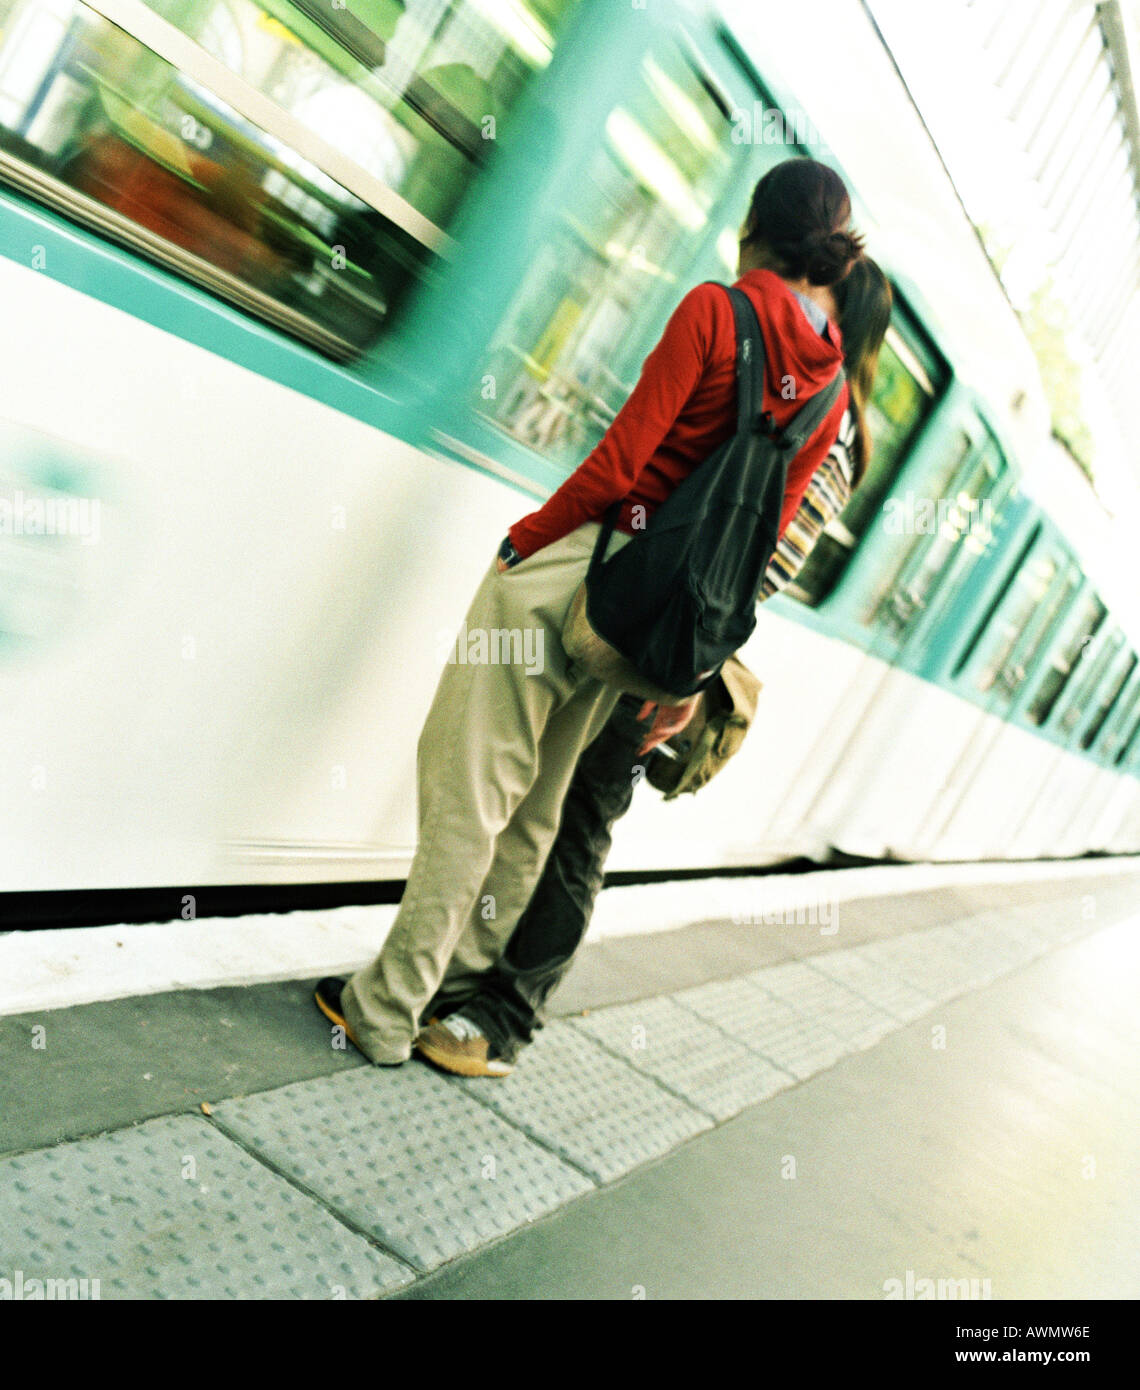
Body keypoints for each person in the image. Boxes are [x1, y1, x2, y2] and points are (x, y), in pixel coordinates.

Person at [315, 158, 863, 1068]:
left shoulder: (716, 310)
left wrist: (526, 540)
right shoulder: (833, 392)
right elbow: (756, 549)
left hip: (584, 564)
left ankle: (383, 1012)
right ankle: (452, 991)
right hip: (647, 624)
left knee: (468, 793)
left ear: (752, 227)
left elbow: (618, 467)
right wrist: (691, 672)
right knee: (535, 810)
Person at [416, 257, 895, 1075]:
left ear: (838, 315)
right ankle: (460, 987)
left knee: (580, 819)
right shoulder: (812, 395)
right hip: (670, 619)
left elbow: (756, 557)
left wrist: (694, 670)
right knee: (551, 804)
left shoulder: (829, 419)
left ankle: (504, 1016)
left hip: (675, 629)